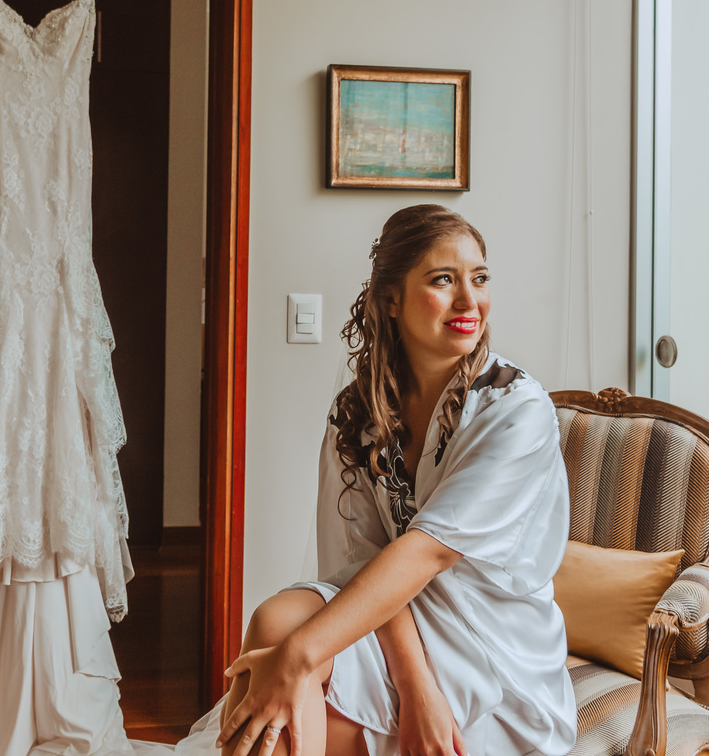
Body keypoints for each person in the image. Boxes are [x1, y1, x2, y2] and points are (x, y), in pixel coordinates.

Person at [214, 205, 577, 756]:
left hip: (490, 650)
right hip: (398, 626)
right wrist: (414, 684)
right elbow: (364, 563)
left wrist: (300, 656)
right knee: (277, 622)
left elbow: (427, 555)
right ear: (390, 299)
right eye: (441, 280)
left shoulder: (514, 409)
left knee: (285, 663)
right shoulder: (359, 410)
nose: (468, 301)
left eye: (479, 279)